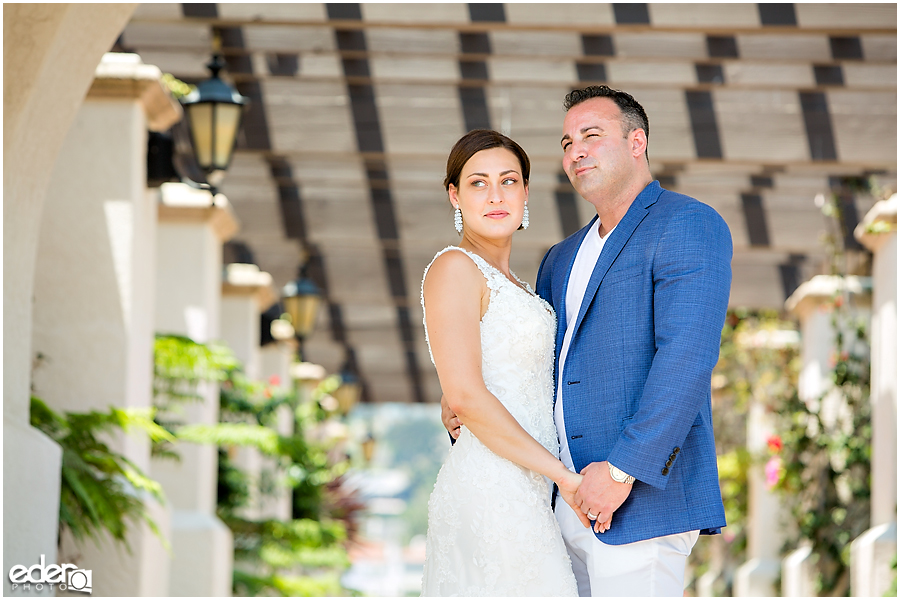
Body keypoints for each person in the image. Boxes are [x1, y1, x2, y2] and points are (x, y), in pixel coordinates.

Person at [442, 86, 732, 596]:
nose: (575, 150)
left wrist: (621, 473)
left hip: (639, 503)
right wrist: (465, 393)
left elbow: (686, 360)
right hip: (554, 505)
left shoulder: (687, 225)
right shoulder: (561, 257)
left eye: (591, 136)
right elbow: (541, 365)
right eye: (567, 141)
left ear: (636, 142)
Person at [419, 129, 597, 597]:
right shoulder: (453, 268)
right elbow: (467, 396)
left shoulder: (520, 284)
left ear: (525, 192)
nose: (496, 195)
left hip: (531, 491)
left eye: (509, 180)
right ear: (454, 195)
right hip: (492, 488)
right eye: (478, 183)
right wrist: (566, 477)